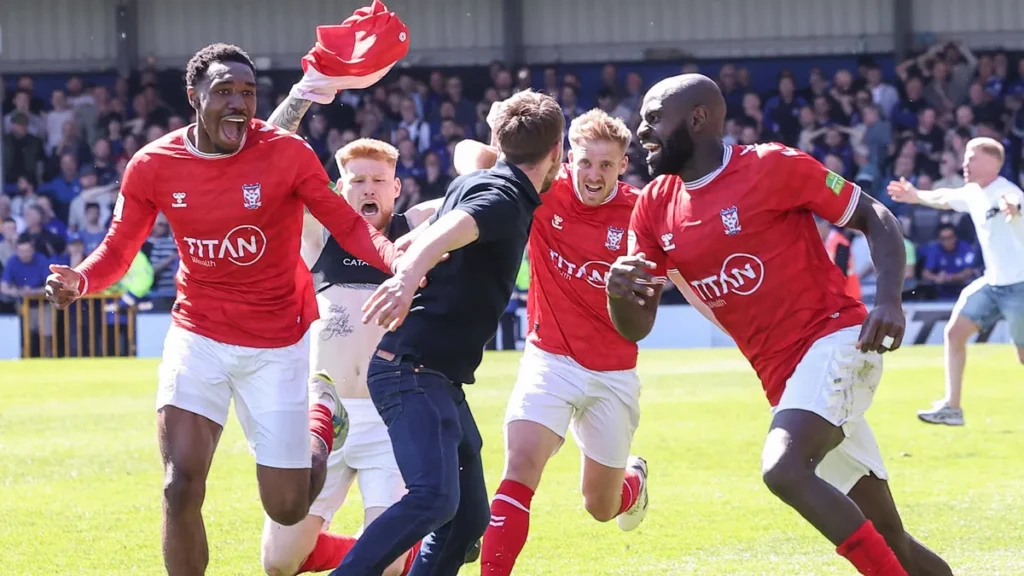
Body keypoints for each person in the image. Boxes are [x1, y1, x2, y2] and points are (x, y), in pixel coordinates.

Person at [43, 38, 404, 575]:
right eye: (225, 91)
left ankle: (321, 424)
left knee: (287, 505)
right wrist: (84, 279)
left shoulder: (285, 152)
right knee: (180, 483)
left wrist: (396, 261)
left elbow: (346, 222)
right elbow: (120, 247)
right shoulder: (154, 164)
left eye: (249, 92)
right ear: (194, 95)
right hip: (199, 335)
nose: (239, 102)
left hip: (278, 342)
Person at [607, 74, 951, 576]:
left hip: (836, 341)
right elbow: (636, 327)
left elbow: (874, 215)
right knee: (890, 537)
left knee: (784, 469)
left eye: (654, 116)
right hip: (786, 380)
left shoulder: (771, 165)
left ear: (699, 118)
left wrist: (890, 301)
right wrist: (618, 291)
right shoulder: (654, 205)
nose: (642, 130)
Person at [335, 89, 564, 576]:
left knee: (468, 519)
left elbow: (465, 163)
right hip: (411, 371)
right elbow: (451, 230)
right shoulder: (502, 197)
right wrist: (405, 277)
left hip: (435, 374)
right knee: (435, 498)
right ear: (558, 150)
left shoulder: (484, 178)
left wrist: (410, 250)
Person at [451, 108, 649, 576]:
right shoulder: (540, 195)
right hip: (550, 360)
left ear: (622, 165)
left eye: (605, 165)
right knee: (520, 464)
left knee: (600, 506)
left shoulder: (642, 211)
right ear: (565, 159)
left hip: (613, 372)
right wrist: (495, 150)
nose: (593, 175)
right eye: (584, 162)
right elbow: (467, 152)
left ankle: (632, 482)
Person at [257, 130, 442, 575]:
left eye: (379, 180)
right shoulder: (320, 236)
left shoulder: (415, 230)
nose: (368, 188)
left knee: (390, 563)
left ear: (397, 188)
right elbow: (270, 169)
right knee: (279, 561)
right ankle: (385, 552)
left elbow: (479, 183)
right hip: (328, 417)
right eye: (357, 180)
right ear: (340, 189)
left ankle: (398, 554)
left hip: (391, 415)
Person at [887, 137, 1024, 426]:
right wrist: (915, 196)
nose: (964, 163)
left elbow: (1015, 202)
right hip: (994, 283)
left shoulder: (1007, 192)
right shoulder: (974, 192)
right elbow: (945, 198)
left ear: (993, 162)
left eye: (971, 158)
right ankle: (952, 407)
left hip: (1020, 287)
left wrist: (1014, 209)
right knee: (954, 333)